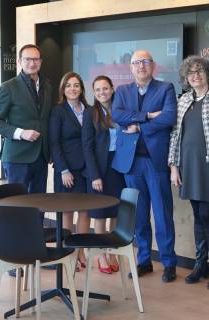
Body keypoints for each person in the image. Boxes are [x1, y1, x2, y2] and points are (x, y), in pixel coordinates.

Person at [112, 50, 178, 282]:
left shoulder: (165, 88)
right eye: (136, 63)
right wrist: (148, 115)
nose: (141, 66)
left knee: (162, 214)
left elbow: (169, 117)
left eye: (145, 62)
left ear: (153, 66)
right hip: (132, 164)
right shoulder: (121, 91)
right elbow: (117, 115)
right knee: (138, 216)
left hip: (155, 161)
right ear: (130, 68)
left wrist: (140, 127)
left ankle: (169, 263)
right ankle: (144, 261)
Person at [168, 56, 209, 289]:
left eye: (199, 71)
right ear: (186, 78)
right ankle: (200, 264)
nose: (195, 76)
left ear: (208, 73)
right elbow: (175, 135)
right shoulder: (184, 100)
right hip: (188, 164)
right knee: (197, 213)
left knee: (208, 214)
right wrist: (174, 166)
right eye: (191, 73)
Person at [0, 44, 52, 277]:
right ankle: (15, 259)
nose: (32, 63)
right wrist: (20, 132)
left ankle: (34, 253)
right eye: (27, 60)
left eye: (35, 59)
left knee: (38, 207)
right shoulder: (9, 87)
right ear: (20, 61)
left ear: (41, 61)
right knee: (16, 208)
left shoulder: (47, 85)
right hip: (17, 158)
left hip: (41, 156)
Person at [82, 75, 126, 274]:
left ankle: (113, 250)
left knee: (116, 211)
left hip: (119, 166)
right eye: (98, 90)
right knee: (100, 214)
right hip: (100, 167)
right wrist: (94, 176)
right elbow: (87, 147)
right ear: (94, 93)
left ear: (112, 88)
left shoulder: (121, 108)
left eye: (105, 88)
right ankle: (101, 255)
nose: (102, 93)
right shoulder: (90, 113)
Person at [49, 71, 90, 270]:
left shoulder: (88, 110)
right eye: (68, 86)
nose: (72, 89)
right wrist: (64, 169)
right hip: (66, 170)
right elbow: (54, 143)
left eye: (76, 85)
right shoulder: (58, 111)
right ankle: (68, 253)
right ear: (63, 90)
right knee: (67, 212)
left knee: (84, 211)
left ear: (81, 89)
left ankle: (81, 251)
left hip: (86, 169)